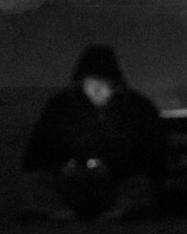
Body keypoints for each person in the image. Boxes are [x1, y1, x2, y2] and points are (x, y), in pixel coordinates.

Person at [20, 45, 165, 221]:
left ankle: (124, 209)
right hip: (69, 182)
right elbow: (37, 152)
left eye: (104, 83)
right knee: (37, 181)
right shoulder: (61, 106)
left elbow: (151, 154)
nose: (98, 90)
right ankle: (56, 210)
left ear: (116, 84)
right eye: (92, 83)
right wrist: (66, 165)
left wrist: (113, 165)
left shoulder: (136, 107)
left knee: (140, 184)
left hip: (118, 182)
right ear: (81, 82)